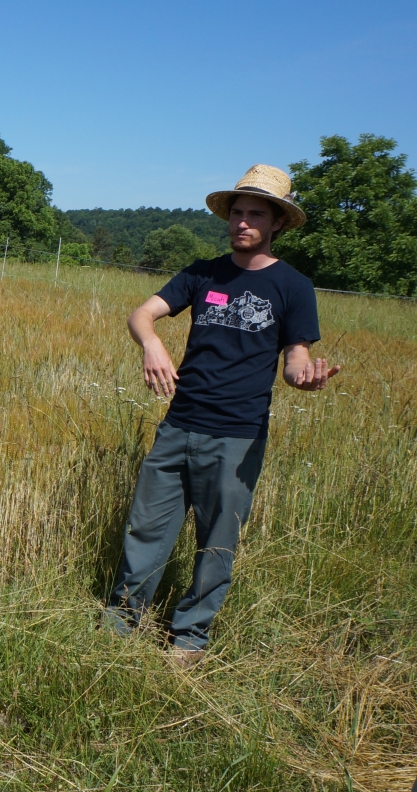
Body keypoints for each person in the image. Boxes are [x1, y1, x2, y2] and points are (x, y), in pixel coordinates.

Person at [102, 165, 340, 667]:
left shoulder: (293, 287)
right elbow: (141, 314)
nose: (243, 222)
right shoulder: (202, 274)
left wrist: (305, 378)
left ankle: (190, 639)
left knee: (217, 541)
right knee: (146, 528)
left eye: (256, 213)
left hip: (236, 438)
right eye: (237, 212)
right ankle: (121, 622)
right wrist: (151, 345)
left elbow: (294, 360)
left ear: (277, 223)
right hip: (178, 425)